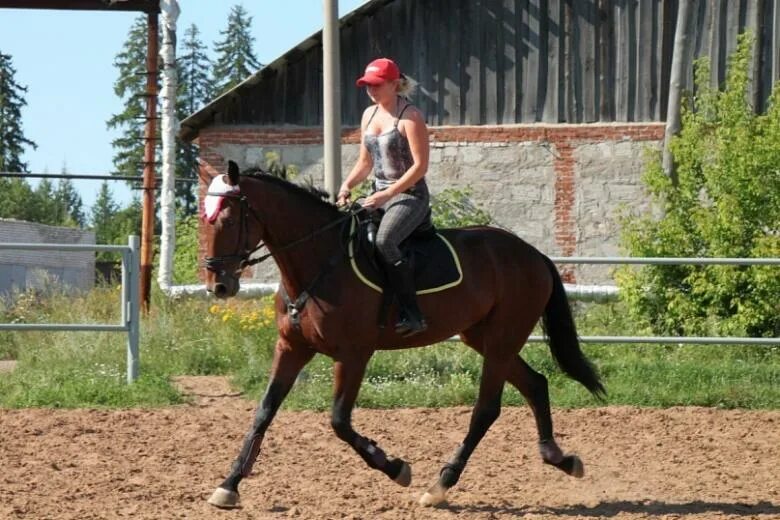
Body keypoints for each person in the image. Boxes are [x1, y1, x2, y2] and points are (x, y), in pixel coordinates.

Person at [337, 57, 430, 337]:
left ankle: (413, 314)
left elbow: (420, 167)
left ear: (394, 83)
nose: (371, 90)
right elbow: (365, 163)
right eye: (367, 85)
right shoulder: (368, 115)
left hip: (410, 196)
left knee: (384, 241)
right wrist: (346, 186)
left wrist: (387, 193)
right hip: (378, 195)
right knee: (345, 233)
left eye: (377, 85)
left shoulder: (410, 116)